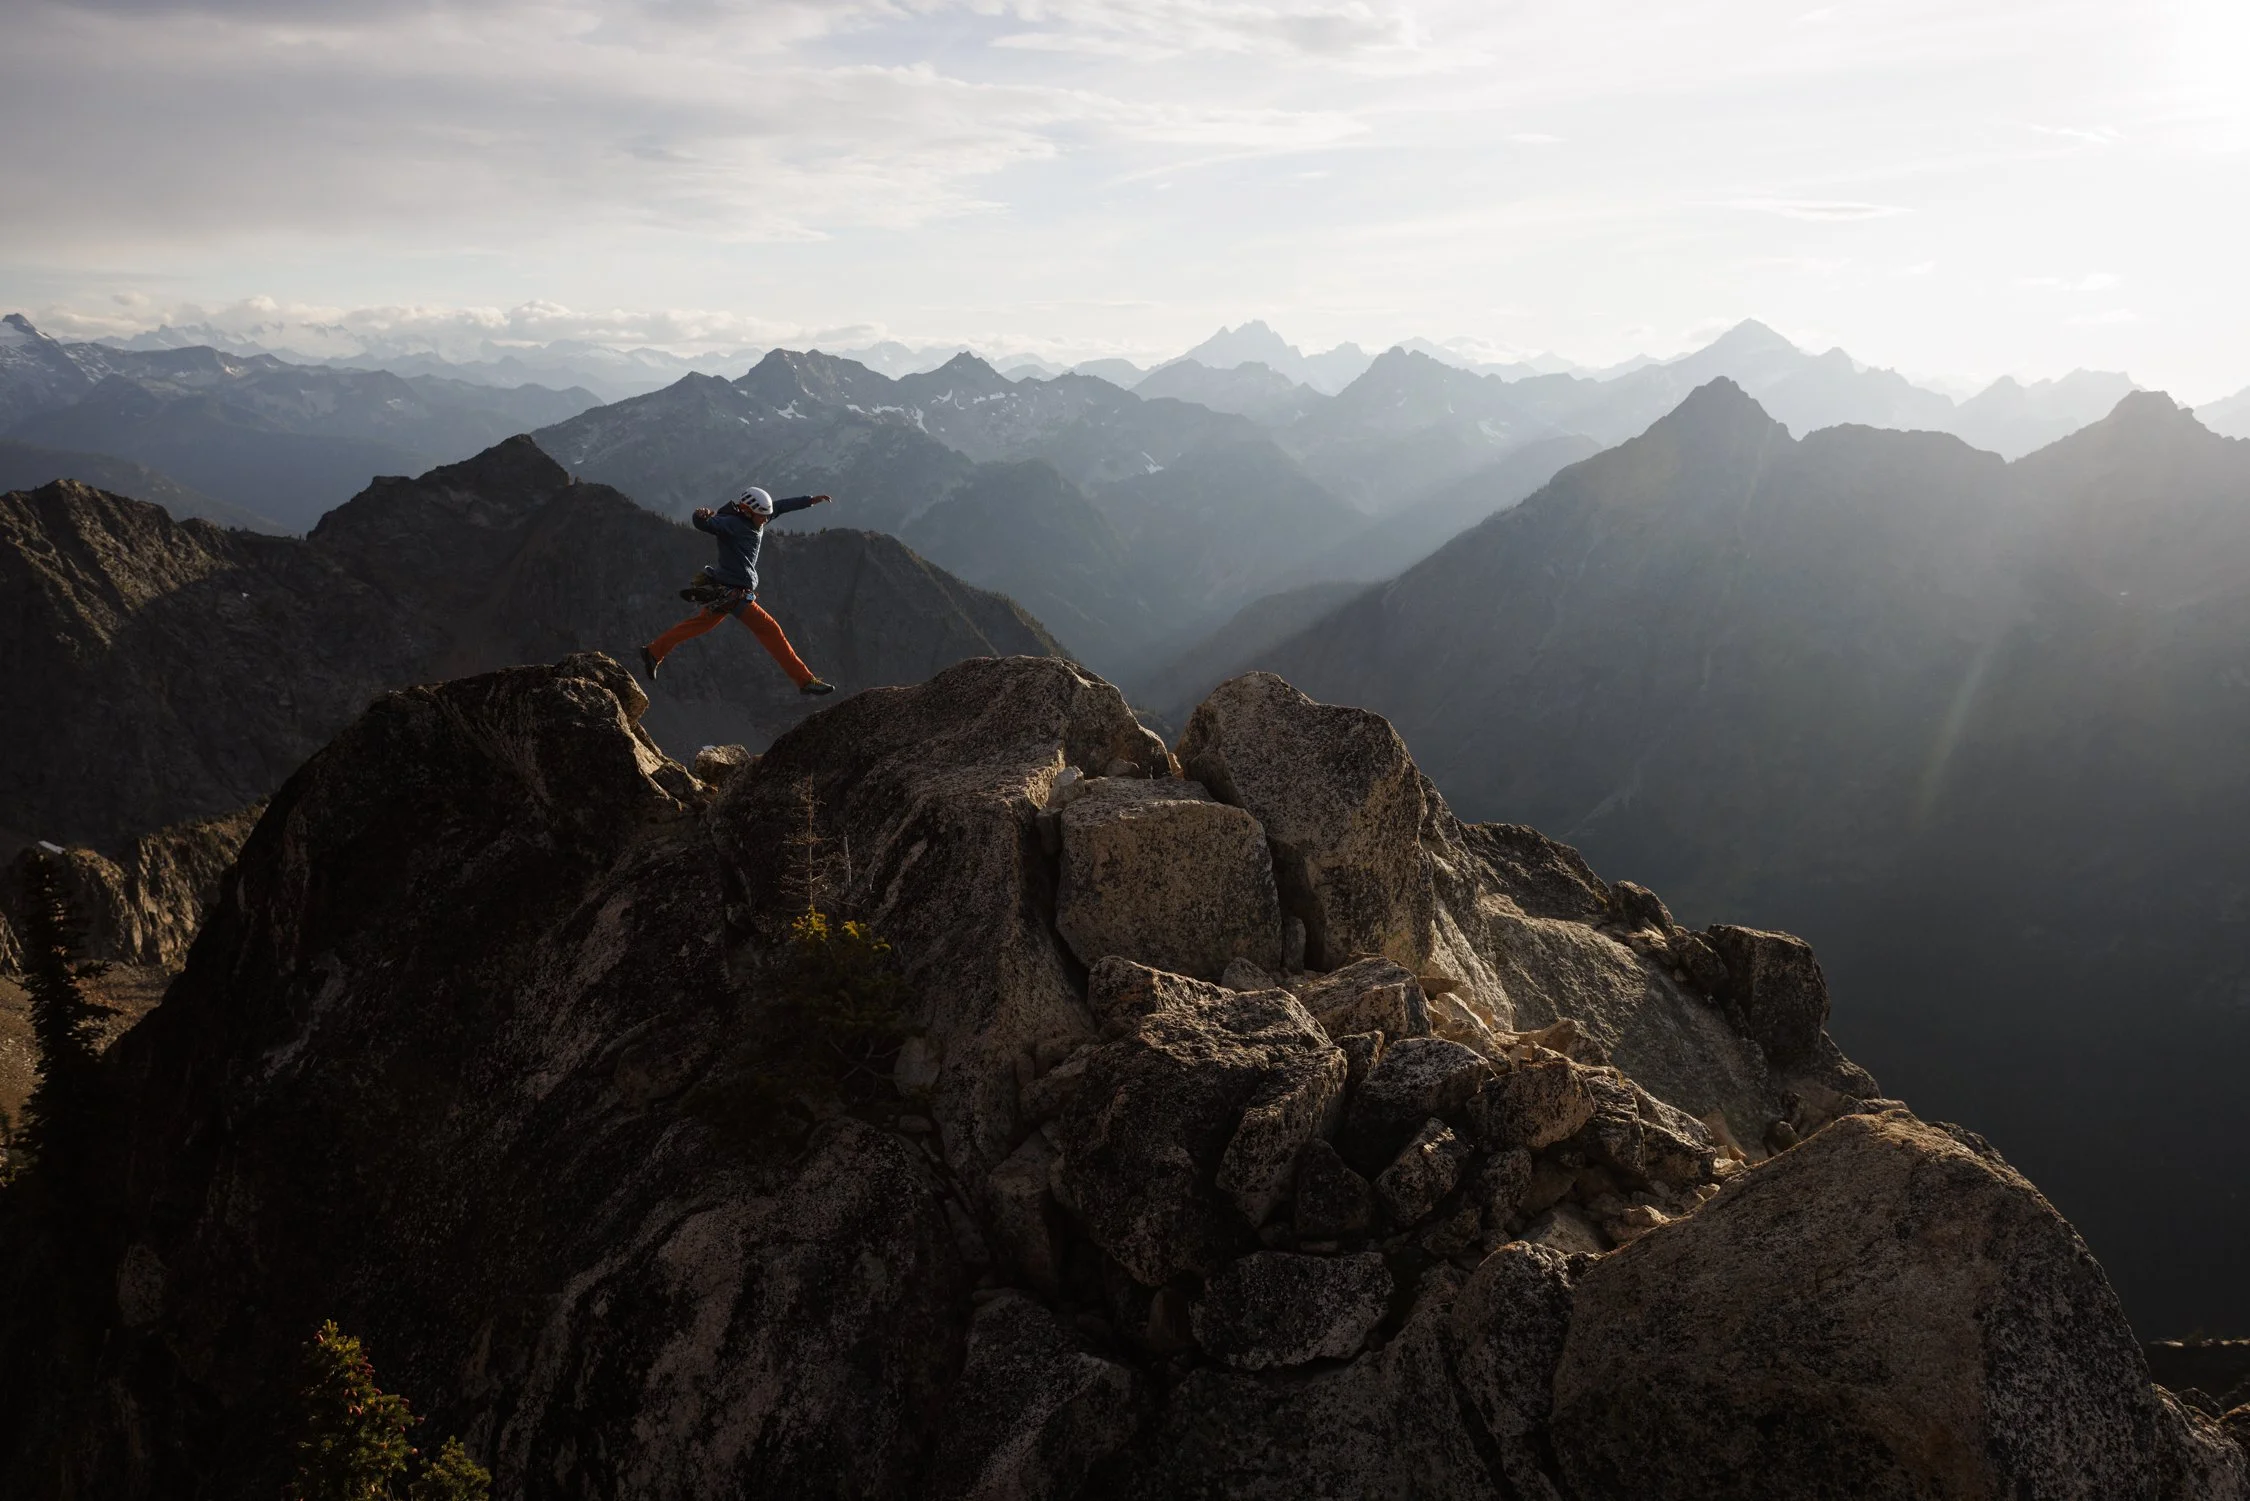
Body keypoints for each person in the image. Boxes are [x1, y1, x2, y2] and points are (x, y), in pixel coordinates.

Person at [639, 486, 837, 694]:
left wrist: (811, 500)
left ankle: (653, 651)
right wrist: (700, 516)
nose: (765, 520)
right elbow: (706, 525)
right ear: (748, 510)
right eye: (762, 516)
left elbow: (780, 506)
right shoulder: (732, 524)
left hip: (725, 591)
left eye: (766, 516)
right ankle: (805, 682)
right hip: (733, 593)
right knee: (770, 630)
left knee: (697, 625)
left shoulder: (757, 518)